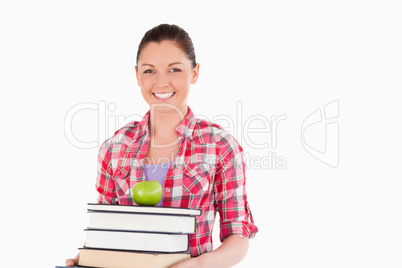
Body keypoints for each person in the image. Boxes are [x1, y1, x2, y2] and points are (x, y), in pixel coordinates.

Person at [66, 23, 258, 268]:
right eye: (149, 71)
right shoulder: (114, 148)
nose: (161, 82)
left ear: (195, 73)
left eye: (174, 69)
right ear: (136, 75)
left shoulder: (220, 146)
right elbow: (106, 230)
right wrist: (85, 258)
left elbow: (238, 236)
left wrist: (198, 266)